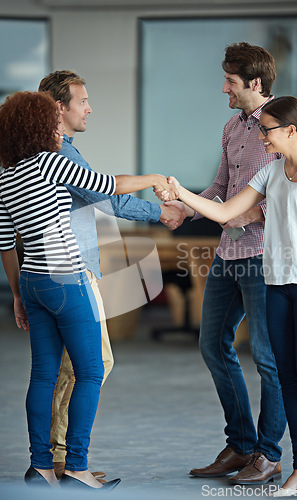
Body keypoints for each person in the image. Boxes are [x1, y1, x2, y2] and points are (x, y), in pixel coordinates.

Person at [0, 91, 176, 489]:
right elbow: (107, 187)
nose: (57, 127)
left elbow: (5, 242)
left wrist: (16, 294)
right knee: (91, 371)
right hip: (67, 279)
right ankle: (77, 467)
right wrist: (154, 180)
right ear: (39, 126)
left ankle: (41, 467)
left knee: (43, 374)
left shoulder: (5, 173)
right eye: (51, 121)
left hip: (32, 282)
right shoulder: (51, 162)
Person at [163, 95, 297, 496]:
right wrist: (180, 193)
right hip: (277, 284)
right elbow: (225, 213)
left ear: (290, 130)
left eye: (268, 130)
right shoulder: (272, 173)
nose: (262, 137)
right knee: (290, 380)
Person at [38, 70, 187, 481]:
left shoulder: (50, 152)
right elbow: (107, 196)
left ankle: (55, 457)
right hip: (71, 274)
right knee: (94, 363)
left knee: (67, 367)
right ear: (59, 107)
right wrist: (161, 208)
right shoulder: (61, 154)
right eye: (82, 101)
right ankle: (66, 459)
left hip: (53, 273)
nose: (90, 108)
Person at [164, 42, 287, 484]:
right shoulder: (233, 126)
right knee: (213, 344)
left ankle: (268, 455)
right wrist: (186, 209)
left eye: (231, 82)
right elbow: (221, 186)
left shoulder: (285, 126)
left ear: (256, 83)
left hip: (264, 257)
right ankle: (240, 445)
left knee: (269, 359)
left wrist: (258, 212)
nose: (224, 89)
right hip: (228, 254)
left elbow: (294, 191)